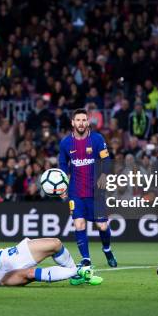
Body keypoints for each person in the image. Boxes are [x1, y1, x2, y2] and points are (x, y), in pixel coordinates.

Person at [58, 108, 116, 284]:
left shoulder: (97, 139)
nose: (81, 123)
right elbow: (63, 165)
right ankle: (86, 259)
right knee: (79, 223)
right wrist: (63, 187)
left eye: (84, 120)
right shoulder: (66, 143)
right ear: (72, 123)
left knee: (102, 226)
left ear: (88, 122)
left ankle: (107, 249)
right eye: (78, 120)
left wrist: (104, 175)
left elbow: (106, 160)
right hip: (76, 191)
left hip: (96, 191)